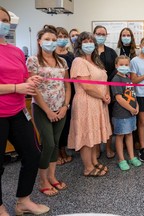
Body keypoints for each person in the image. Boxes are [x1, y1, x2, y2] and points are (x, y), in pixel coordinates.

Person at [0, 6, 50, 215]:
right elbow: (14, 85)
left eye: (4, 19)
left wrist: (29, 81)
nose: (3, 23)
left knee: (32, 155)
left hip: (18, 111)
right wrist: (15, 88)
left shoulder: (15, 51)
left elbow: (21, 79)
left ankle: (23, 201)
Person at [27, 25, 71, 196]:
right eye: (47, 39)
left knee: (55, 144)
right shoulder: (33, 60)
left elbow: (67, 85)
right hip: (42, 109)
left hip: (60, 108)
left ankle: (52, 177)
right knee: (48, 144)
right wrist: (48, 111)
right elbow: (33, 88)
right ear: (39, 41)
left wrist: (65, 106)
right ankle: (43, 180)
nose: (51, 43)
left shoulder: (62, 61)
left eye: (53, 40)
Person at [68, 31, 112, 176]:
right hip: (86, 102)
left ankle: (94, 162)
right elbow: (86, 86)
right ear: (79, 44)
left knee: (94, 134)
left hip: (98, 101)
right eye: (85, 41)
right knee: (87, 135)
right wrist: (102, 96)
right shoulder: (79, 61)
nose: (89, 44)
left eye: (91, 41)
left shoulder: (96, 60)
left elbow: (103, 81)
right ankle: (88, 167)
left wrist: (106, 94)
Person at [111, 55, 142, 170]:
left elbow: (132, 95)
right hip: (121, 114)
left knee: (129, 134)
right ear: (116, 65)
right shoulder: (116, 79)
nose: (124, 67)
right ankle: (121, 159)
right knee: (120, 136)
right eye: (121, 65)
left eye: (126, 65)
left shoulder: (128, 79)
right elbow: (119, 98)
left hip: (131, 113)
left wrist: (136, 106)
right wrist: (130, 108)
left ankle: (132, 156)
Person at [93, 25, 117, 159]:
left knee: (108, 121)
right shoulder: (90, 52)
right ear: (94, 34)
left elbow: (115, 69)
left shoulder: (111, 52)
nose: (101, 36)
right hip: (93, 91)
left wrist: (107, 86)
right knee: (95, 121)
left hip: (109, 91)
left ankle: (108, 147)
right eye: (98, 33)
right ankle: (97, 148)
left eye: (103, 34)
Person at [55, 27, 75, 165]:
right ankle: (55, 153)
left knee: (66, 123)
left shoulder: (71, 55)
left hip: (69, 93)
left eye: (64, 36)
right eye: (59, 36)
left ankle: (63, 149)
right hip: (54, 95)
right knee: (55, 123)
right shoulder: (51, 55)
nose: (62, 38)